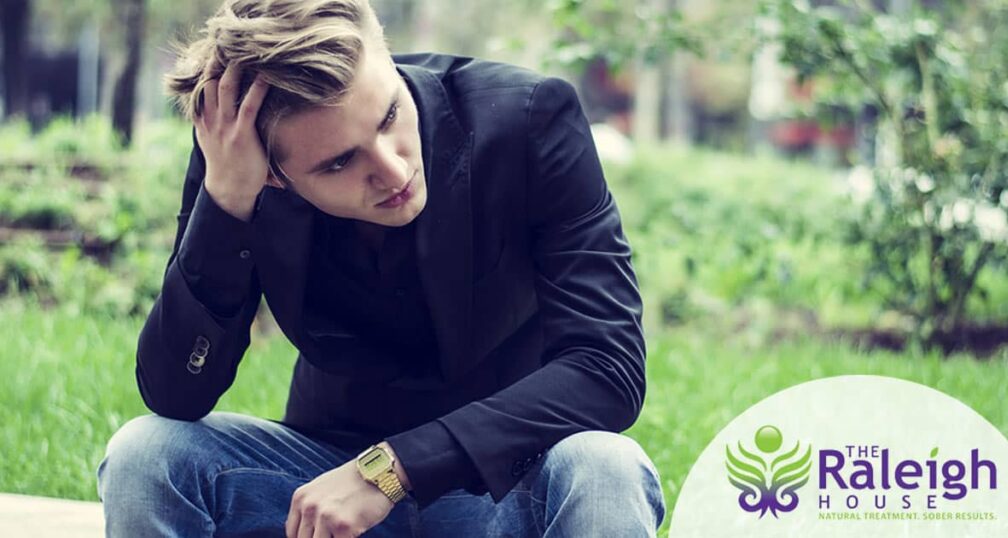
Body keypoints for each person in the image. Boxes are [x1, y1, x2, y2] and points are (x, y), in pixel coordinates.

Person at [95, 0, 666, 536]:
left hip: (507, 487)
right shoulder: (239, 162)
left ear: (384, 50)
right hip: (320, 499)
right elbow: (175, 395)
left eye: (390, 114)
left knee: (606, 465)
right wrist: (225, 204)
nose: (392, 170)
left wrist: (393, 470)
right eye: (340, 161)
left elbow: (607, 368)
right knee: (146, 454)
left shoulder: (529, 120)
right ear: (274, 174)